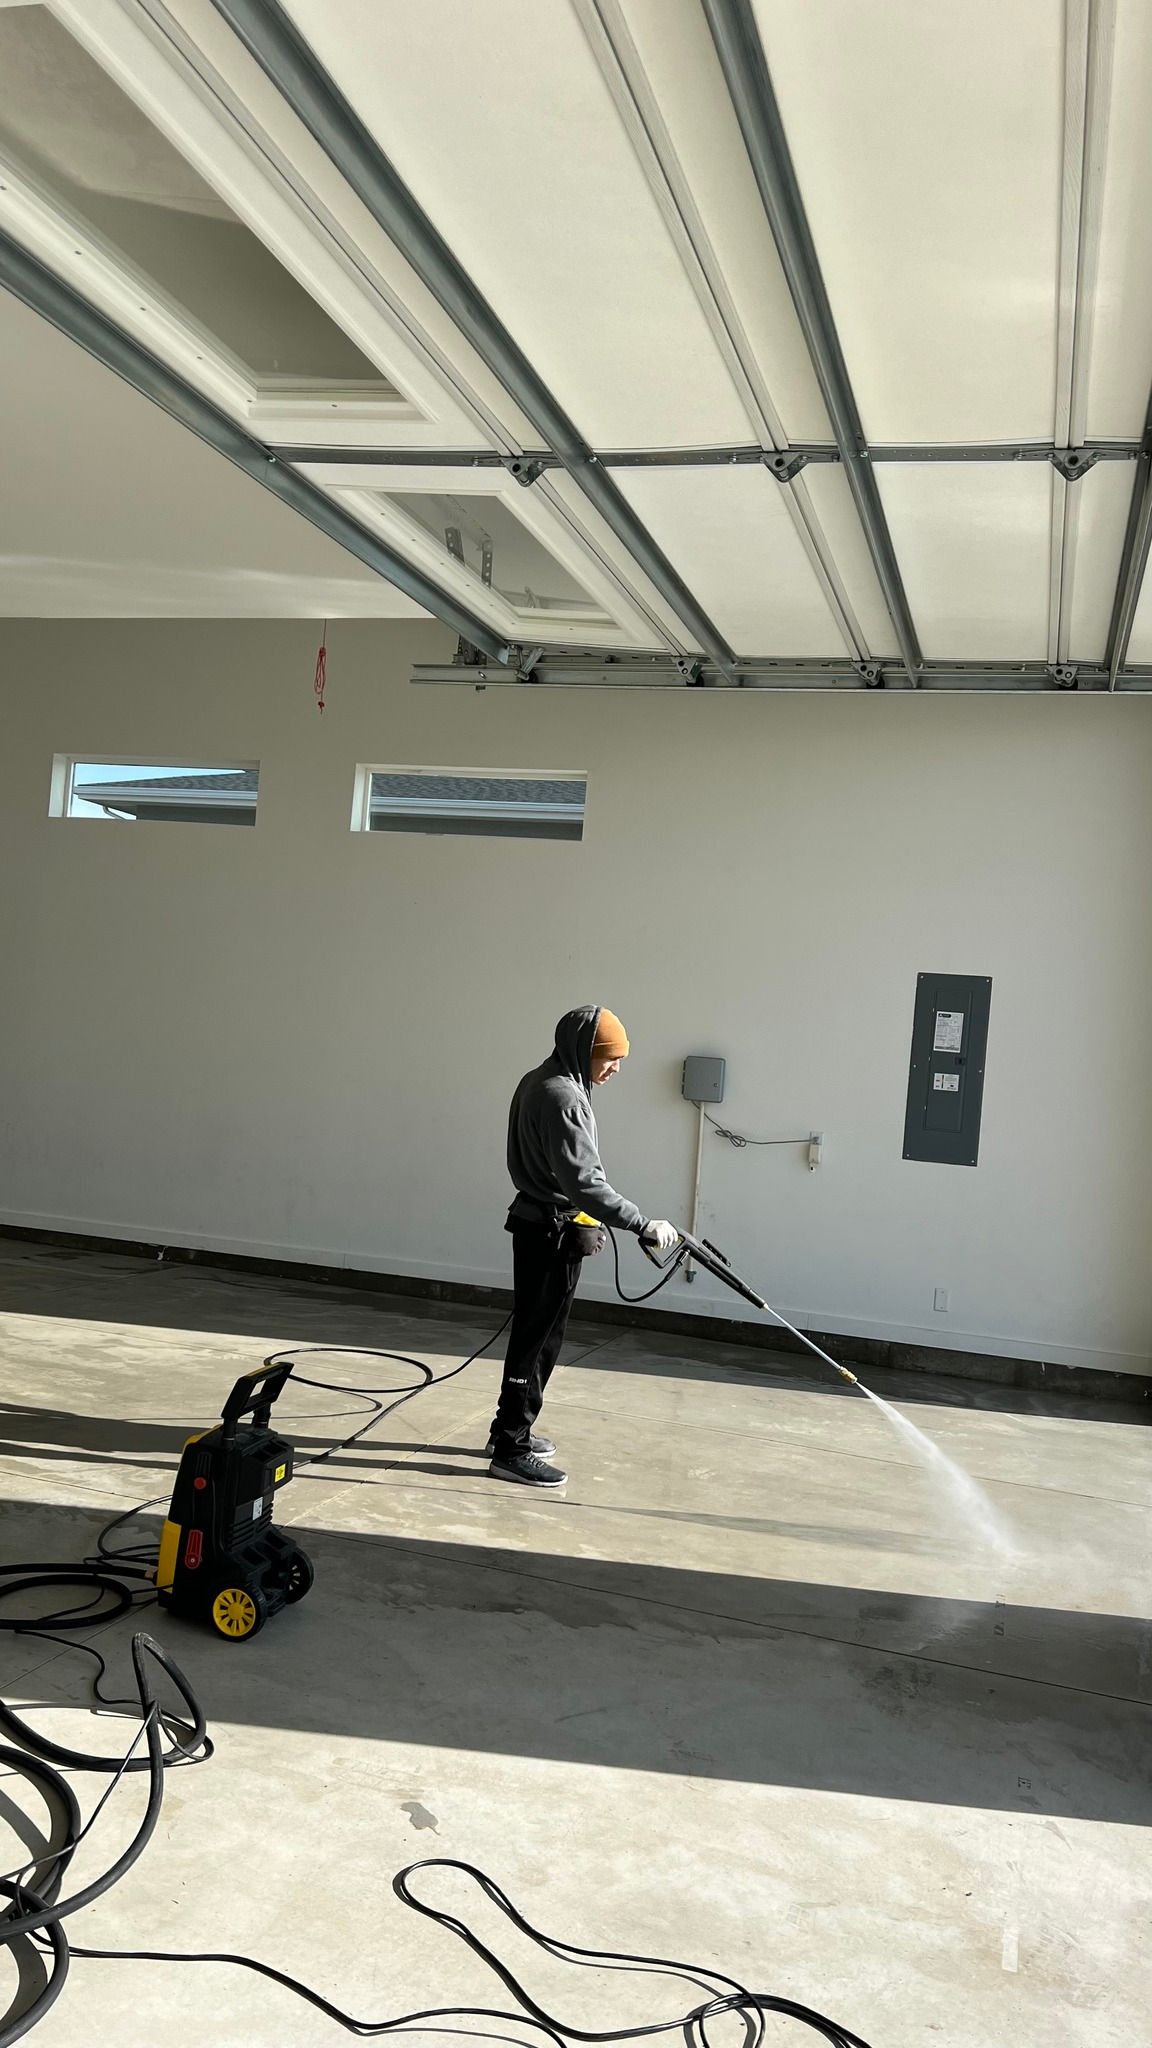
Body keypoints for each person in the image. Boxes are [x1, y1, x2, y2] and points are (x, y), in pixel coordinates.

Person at [488, 1006, 679, 1488]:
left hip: (539, 1223)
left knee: (538, 1336)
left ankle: (509, 1429)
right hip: (549, 1232)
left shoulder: (539, 1080)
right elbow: (586, 1184)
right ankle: (510, 1447)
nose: (616, 1068)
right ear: (583, 1051)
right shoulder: (563, 1097)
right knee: (537, 1342)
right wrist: (641, 1223)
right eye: (610, 1058)